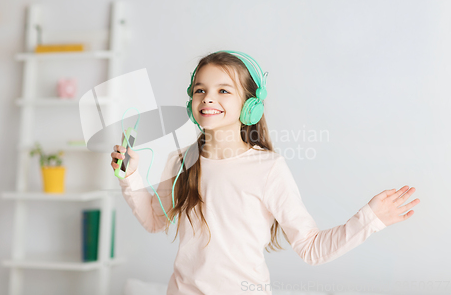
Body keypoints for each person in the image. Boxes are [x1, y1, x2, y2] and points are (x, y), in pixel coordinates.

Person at [110, 51, 420, 295]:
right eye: (200, 90)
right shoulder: (180, 161)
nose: (208, 98)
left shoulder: (268, 168)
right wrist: (130, 176)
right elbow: (154, 220)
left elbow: (311, 249)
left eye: (223, 90)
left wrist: (370, 218)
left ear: (250, 106)